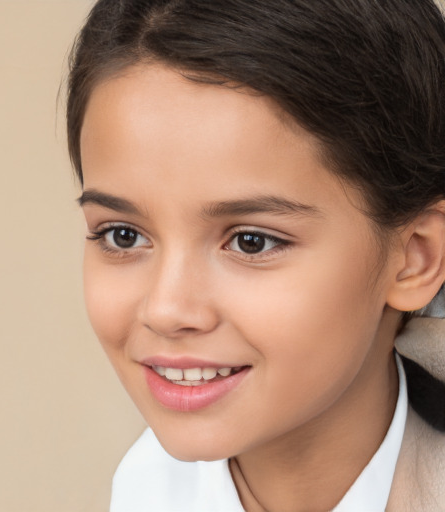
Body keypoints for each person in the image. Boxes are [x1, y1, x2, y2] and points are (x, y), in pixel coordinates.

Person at [66, 1, 445, 510]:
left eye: (251, 241)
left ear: (417, 258)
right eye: (123, 235)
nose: (166, 310)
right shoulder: (145, 489)